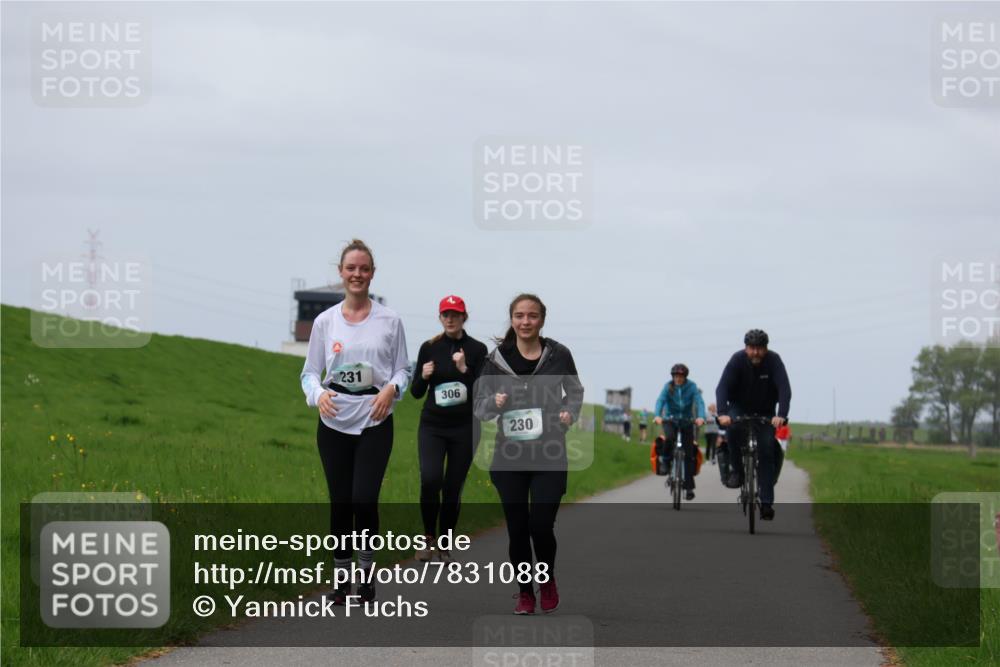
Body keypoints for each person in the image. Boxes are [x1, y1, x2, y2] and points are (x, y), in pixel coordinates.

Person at [300, 239, 412, 605]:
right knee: (340, 503)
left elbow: (403, 369)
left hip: (374, 419)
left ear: (372, 274)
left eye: (364, 269)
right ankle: (341, 580)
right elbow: (309, 373)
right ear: (341, 273)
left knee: (364, 499)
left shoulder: (389, 320)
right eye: (351, 268)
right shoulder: (324, 321)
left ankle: (366, 576)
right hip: (334, 420)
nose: (357, 275)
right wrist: (319, 395)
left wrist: (391, 390)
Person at [473, 294, 584, 615]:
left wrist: (569, 412)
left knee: (541, 525)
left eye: (532, 316)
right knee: (518, 529)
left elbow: (574, 392)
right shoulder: (496, 360)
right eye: (519, 316)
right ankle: (525, 593)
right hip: (509, 456)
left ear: (541, 320)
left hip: (549, 453)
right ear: (512, 320)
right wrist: (493, 404)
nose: (525, 322)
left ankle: (546, 579)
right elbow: (480, 408)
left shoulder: (559, 355)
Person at [409, 295, 488, 563]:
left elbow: (483, 392)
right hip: (433, 425)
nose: (450, 319)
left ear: (464, 317)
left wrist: (465, 369)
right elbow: (416, 393)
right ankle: (428, 537)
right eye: (446, 314)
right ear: (440, 317)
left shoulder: (477, 349)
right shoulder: (429, 348)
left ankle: (445, 542)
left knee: (453, 487)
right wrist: (424, 376)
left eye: (455, 314)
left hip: (465, 428)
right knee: (431, 480)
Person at [716, 329, 792, 521]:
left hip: (765, 411)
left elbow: (784, 389)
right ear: (746, 348)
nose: (756, 353)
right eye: (752, 348)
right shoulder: (737, 360)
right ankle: (737, 472)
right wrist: (723, 413)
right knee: (732, 431)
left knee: (766, 450)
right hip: (738, 408)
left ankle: (766, 503)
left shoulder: (774, 361)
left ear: (766, 349)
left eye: (760, 349)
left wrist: (781, 415)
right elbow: (722, 387)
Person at [653, 364, 706, 500]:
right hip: (670, 420)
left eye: (680, 377)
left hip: (687, 421)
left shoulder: (692, 387)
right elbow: (660, 400)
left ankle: (689, 488)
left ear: (685, 377)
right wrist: (658, 415)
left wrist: (701, 417)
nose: (678, 379)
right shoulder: (668, 386)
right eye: (676, 376)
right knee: (669, 438)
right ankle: (665, 461)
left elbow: (699, 402)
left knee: (688, 454)